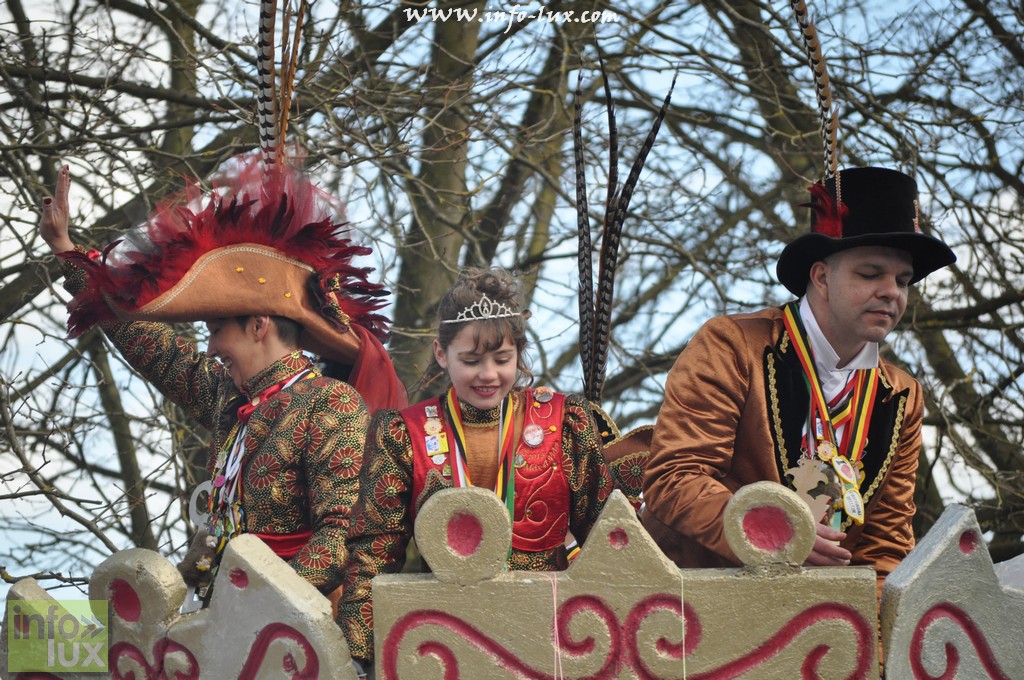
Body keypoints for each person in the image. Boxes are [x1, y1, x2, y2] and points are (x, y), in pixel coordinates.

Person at [38, 159, 408, 598]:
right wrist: (65, 249)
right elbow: (152, 347)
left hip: (299, 624)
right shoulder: (227, 399)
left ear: (259, 324)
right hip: (226, 612)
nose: (211, 348)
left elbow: (340, 536)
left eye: (216, 331)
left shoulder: (331, 402)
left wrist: (259, 604)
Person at [642, 167, 957, 596]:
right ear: (822, 277)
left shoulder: (903, 395)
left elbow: (885, 546)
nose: (892, 292)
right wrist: (772, 535)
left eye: (903, 281)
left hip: (821, 620)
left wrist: (874, 634)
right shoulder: (731, 344)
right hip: (696, 604)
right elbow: (675, 478)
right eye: (871, 273)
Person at [337, 267, 613, 668]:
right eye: (470, 360)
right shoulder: (403, 434)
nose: (488, 374)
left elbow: (606, 538)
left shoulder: (564, 423)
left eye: (503, 359)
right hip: (446, 643)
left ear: (519, 353)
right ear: (440, 353)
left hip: (553, 641)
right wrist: (358, 660)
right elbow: (373, 556)